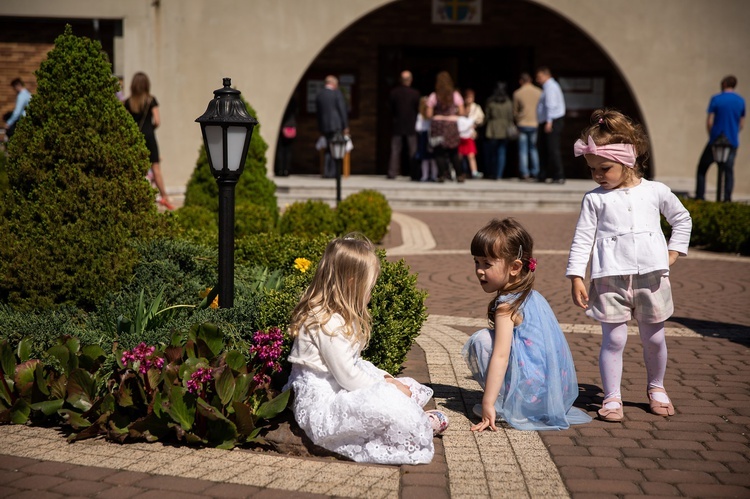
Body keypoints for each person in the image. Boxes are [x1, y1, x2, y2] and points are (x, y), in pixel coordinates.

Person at [567, 109, 692, 422]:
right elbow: (583, 239)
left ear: (628, 160)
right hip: (609, 280)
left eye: (604, 168)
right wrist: (576, 276)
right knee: (614, 340)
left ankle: (657, 388)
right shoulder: (594, 199)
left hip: (652, 278)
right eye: (592, 168)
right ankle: (611, 397)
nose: (597, 175)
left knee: (655, 338)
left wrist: (674, 251)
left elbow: (682, 219)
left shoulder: (655, 191)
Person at [285, 235, 449, 464]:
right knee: (380, 402)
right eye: (369, 286)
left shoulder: (337, 316)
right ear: (352, 282)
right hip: (324, 397)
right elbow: (348, 377)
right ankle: (417, 424)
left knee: (401, 387)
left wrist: (386, 379)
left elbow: (352, 367)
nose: (371, 291)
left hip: (340, 382)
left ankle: (410, 416)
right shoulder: (325, 323)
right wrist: (386, 387)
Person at [462, 218, 591, 431]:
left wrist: (487, 402)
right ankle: (515, 402)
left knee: (482, 340)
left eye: (487, 263)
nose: (479, 270)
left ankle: (504, 407)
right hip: (550, 391)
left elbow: (501, 356)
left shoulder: (507, 306)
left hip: (531, 397)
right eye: (477, 262)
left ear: (515, 267)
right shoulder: (532, 296)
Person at [124, 72, 174, 210]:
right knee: (156, 168)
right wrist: (150, 129)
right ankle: (164, 196)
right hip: (149, 137)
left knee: (135, 168)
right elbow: (157, 121)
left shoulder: (128, 102)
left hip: (135, 138)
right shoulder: (151, 100)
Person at [695, 75, 745, 202]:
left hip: (716, 140)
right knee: (728, 171)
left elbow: (710, 121)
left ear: (723, 84)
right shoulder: (740, 101)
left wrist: (712, 135)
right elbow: (741, 124)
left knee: (702, 168)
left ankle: (700, 196)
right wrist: (733, 133)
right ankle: (727, 199)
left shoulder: (717, 99)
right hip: (732, 141)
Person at [425, 71, 465, 182]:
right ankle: (459, 174)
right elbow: (462, 111)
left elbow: (428, 114)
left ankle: (441, 175)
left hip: (438, 126)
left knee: (439, 151)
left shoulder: (434, 96)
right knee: (453, 151)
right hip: (451, 125)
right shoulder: (455, 95)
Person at [535, 67, 566, 184]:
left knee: (552, 149)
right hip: (548, 120)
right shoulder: (548, 87)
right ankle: (544, 174)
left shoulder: (551, 87)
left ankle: (558, 174)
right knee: (543, 148)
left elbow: (551, 105)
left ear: (546, 75)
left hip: (552, 120)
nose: (538, 80)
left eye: (539, 77)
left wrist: (549, 121)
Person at [388, 70, 420, 179]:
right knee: (413, 150)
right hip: (411, 124)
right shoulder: (415, 93)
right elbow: (418, 109)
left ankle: (392, 172)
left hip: (398, 124)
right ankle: (414, 173)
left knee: (395, 150)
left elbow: (390, 109)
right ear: (410, 80)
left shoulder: (394, 92)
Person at [315, 75, 349, 179]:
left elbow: (318, 113)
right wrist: (345, 126)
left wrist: (320, 127)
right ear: (334, 84)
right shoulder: (336, 94)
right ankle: (334, 172)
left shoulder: (320, 95)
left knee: (327, 149)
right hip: (336, 125)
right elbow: (342, 110)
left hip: (324, 126)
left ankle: (326, 171)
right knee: (336, 148)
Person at [513, 72, 542, 181]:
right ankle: (535, 171)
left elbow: (515, 111)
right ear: (530, 80)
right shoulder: (539, 92)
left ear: (521, 81)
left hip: (522, 123)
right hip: (535, 123)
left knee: (523, 150)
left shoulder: (517, 93)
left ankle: (524, 172)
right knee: (533, 149)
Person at [483, 82, 514, 180]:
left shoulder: (491, 102)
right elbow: (511, 116)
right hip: (505, 127)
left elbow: (487, 116)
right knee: (501, 152)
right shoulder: (509, 102)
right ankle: (499, 174)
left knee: (492, 152)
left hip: (493, 128)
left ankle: (492, 172)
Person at [458, 88, 485, 179]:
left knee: (471, 154)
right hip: (460, 134)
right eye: (467, 97)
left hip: (470, 133)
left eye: (471, 97)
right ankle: (460, 171)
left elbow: (481, 119)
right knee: (459, 154)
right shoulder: (461, 107)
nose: (469, 99)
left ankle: (474, 172)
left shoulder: (476, 107)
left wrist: (475, 124)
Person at [415, 96, 438, 181]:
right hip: (425, 136)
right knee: (426, 158)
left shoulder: (433, 115)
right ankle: (426, 176)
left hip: (430, 136)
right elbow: (417, 127)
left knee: (432, 158)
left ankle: (433, 176)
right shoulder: (420, 116)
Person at [275, 96, 297, 177]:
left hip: (282, 127)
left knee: (281, 150)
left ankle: (280, 169)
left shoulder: (281, 101)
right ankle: (287, 170)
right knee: (288, 151)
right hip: (291, 127)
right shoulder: (294, 102)